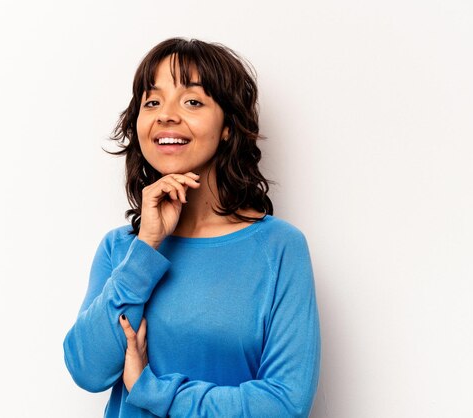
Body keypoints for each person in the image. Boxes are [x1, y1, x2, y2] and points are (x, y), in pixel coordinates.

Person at [63, 37, 321, 417]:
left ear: (229, 126)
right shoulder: (122, 249)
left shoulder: (278, 248)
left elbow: (286, 404)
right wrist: (147, 245)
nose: (166, 115)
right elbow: (88, 370)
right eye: (152, 102)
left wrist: (154, 391)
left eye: (192, 101)